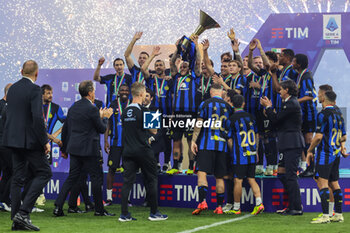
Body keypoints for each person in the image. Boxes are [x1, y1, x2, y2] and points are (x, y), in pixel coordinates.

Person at [2, 60, 52, 231]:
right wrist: (45, 141)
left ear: (21, 71)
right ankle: (23, 213)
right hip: (29, 141)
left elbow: (8, 114)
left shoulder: (13, 88)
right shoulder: (34, 90)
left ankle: (17, 221)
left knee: (17, 179)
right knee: (45, 172)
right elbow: (38, 118)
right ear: (36, 74)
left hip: (12, 140)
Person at [53, 80, 114, 217]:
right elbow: (101, 128)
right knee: (96, 178)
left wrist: (64, 149)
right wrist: (105, 117)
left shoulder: (73, 107)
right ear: (90, 92)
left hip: (74, 148)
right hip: (90, 149)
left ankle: (58, 206)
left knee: (72, 178)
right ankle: (99, 210)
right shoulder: (92, 108)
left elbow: (65, 130)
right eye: (93, 90)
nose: (94, 93)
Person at [119, 82, 167, 221]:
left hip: (128, 151)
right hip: (143, 150)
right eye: (145, 94)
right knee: (152, 179)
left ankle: (124, 214)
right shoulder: (145, 111)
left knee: (127, 182)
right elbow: (155, 131)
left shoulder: (125, 111)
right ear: (141, 94)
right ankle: (154, 212)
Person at [260, 79, 304, 215]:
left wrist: (268, 107)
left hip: (292, 144)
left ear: (287, 90)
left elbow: (276, 119)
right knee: (282, 175)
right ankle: (293, 204)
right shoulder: (288, 103)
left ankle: (296, 208)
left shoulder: (291, 103)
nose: (279, 92)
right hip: (287, 143)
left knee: (290, 176)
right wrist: (269, 110)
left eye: (282, 89)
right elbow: (277, 121)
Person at [191, 83, 233, 215]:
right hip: (222, 146)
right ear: (222, 93)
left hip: (206, 144)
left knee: (202, 173)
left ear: (210, 92)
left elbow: (199, 123)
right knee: (219, 177)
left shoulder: (205, 104)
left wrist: (193, 140)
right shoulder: (229, 107)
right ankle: (220, 207)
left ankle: (203, 202)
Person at [307, 90, 347, 223]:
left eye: (319, 95)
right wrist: (342, 148)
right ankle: (338, 214)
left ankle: (325, 216)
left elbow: (318, 137)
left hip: (325, 153)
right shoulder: (339, 115)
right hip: (336, 154)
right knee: (334, 183)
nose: (318, 96)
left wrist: (309, 150)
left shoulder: (323, 114)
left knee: (322, 182)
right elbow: (344, 136)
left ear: (323, 98)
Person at [167, 35, 201, 175]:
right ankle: (176, 166)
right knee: (176, 141)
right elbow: (171, 63)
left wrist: (196, 45)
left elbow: (198, 62)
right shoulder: (176, 77)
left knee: (189, 140)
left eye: (186, 65)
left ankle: (191, 167)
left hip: (190, 114)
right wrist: (176, 49)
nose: (183, 66)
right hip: (177, 115)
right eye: (182, 64)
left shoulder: (194, 76)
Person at [225, 94, 264, 215]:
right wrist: (256, 150)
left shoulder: (231, 119)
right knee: (252, 179)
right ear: (243, 104)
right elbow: (257, 135)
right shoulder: (251, 117)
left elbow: (229, 140)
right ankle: (259, 203)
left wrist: (233, 152)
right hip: (251, 153)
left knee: (238, 180)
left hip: (240, 155)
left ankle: (236, 208)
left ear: (232, 104)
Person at [141, 46, 174, 172]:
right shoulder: (151, 80)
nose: (159, 67)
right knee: (153, 139)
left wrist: (172, 114)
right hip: (152, 115)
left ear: (164, 67)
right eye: (157, 65)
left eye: (161, 65)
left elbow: (173, 97)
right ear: (154, 68)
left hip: (166, 115)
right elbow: (143, 68)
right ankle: (156, 163)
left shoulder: (169, 80)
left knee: (166, 139)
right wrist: (153, 56)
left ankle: (166, 162)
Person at [104, 84, 130, 206]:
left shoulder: (132, 104)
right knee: (111, 169)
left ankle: (127, 199)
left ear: (129, 92)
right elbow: (108, 124)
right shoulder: (113, 104)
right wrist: (105, 141)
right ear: (118, 92)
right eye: (122, 90)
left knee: (128, 170)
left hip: (129, 144)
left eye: (126, 90)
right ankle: (109, 198)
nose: (124, 92)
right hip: (115, 143)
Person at [292, 54, 318, 175]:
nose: (292, 63)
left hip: (309, 113)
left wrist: (295, 101)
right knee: (304, 142)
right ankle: (309, 167)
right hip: (303, 113)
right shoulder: (300, 75)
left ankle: (311, 168)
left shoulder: (306, 76)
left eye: (294, 61)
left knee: (308, 142)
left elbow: (309, 96)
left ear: (299, 64)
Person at [0, 83, 12, 212]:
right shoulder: (6, 107)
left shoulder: (9, 107)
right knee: (12, 172)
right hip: (5, 144)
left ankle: (4, 200)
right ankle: (4, 200)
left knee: (8, 172)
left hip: (5, 144)